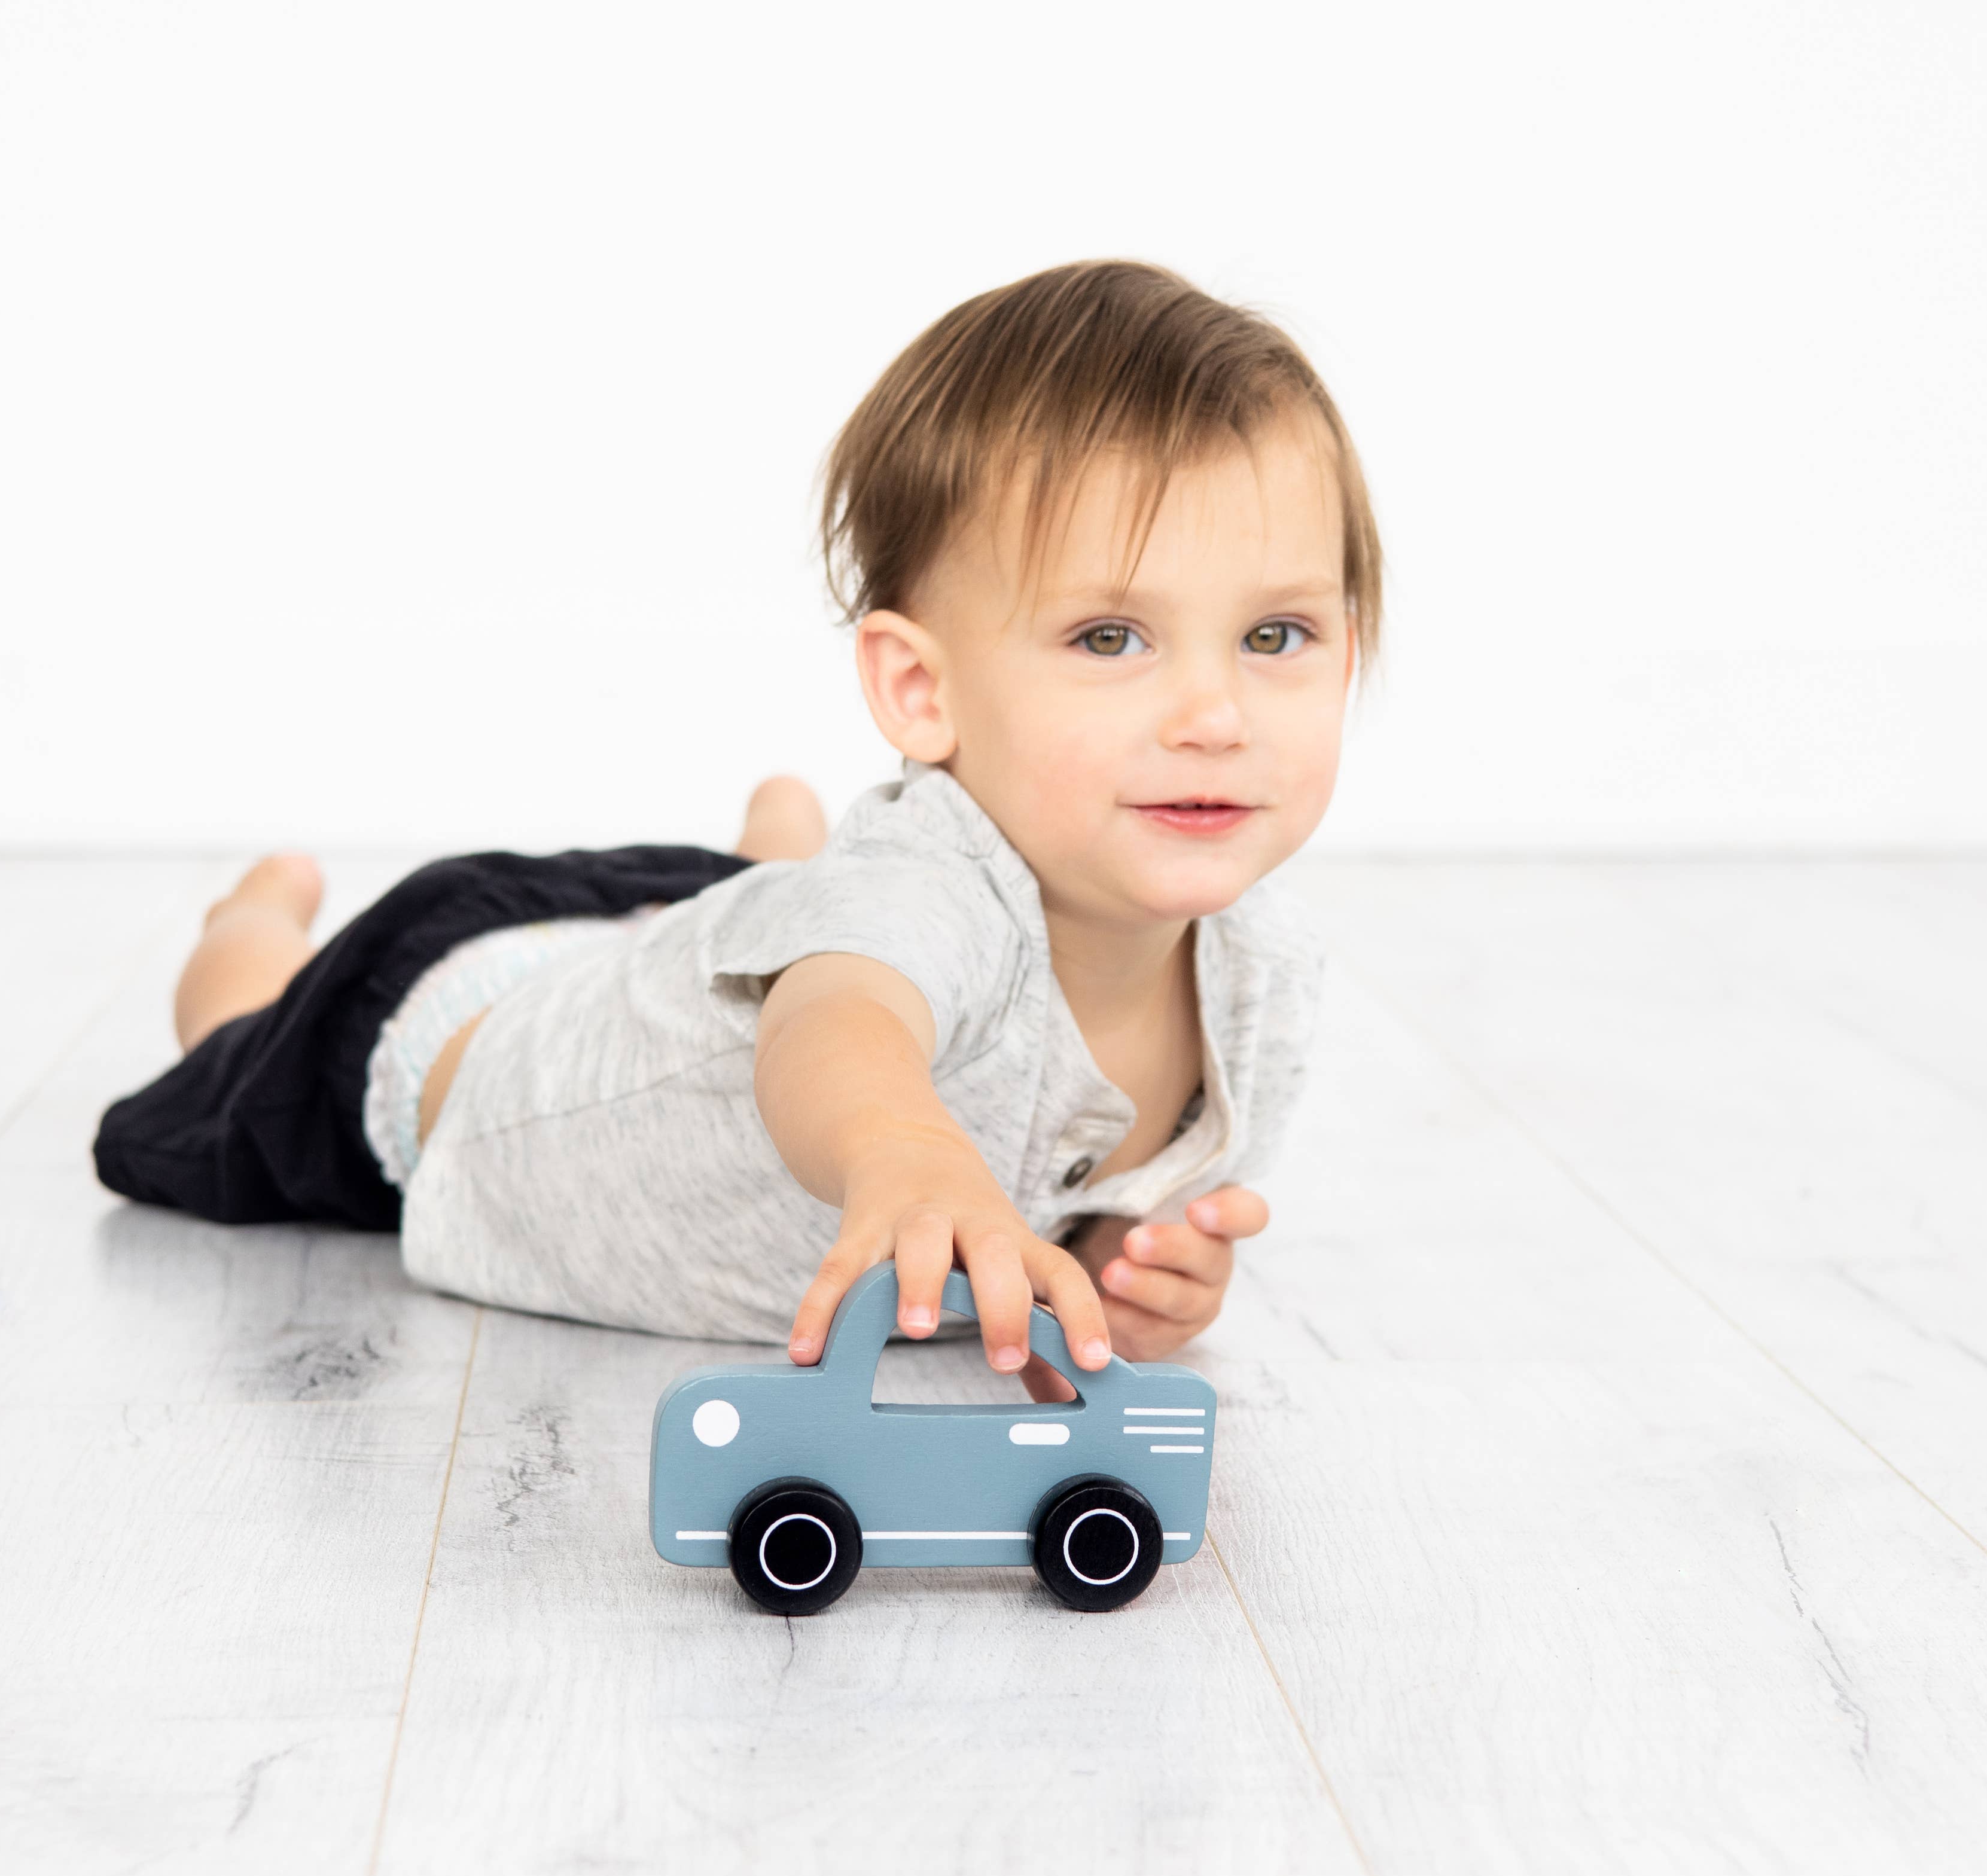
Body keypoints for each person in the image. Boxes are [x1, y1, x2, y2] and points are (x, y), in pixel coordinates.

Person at [95, 259, 1382, 1395]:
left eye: (1276, 635)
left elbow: (1076, 1181)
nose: (1216, 714)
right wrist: (901, 1148)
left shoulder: (1259, 976)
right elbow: (836, 1026)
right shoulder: (925, 907)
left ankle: (778, 849)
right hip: (468, 1038)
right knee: (246, 1035)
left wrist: (1117, 1265)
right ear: (919, 690)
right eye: (1111, 637)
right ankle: (254, 918)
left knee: (812, 901)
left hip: (702, 950)